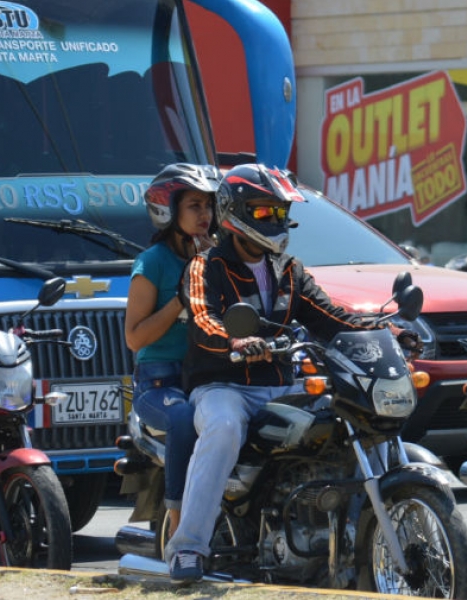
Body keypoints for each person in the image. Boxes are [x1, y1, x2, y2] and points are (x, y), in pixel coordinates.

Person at [165, 163, 423, 583]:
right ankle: (187, 547)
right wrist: (235, 342)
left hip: (283, 385)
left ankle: (350, 525)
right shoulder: (205, 266)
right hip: (223, 385)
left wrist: (387, 331)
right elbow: (203, 318)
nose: (277, 221)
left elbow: (332, 316)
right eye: (266, 212)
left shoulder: (289, 269)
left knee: (348, 418)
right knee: (224, 428)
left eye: (281, 212)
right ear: (236, 212)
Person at [124, 163, 220, 535]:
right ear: (169, 210)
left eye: (208, 206)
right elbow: (134, 338)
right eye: (194, 205)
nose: (205, 215)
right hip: (158, 384)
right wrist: (180, 300)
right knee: (183, 419)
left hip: (205, 377)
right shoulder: (152, 263)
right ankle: (181, 528)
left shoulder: (214, 259)